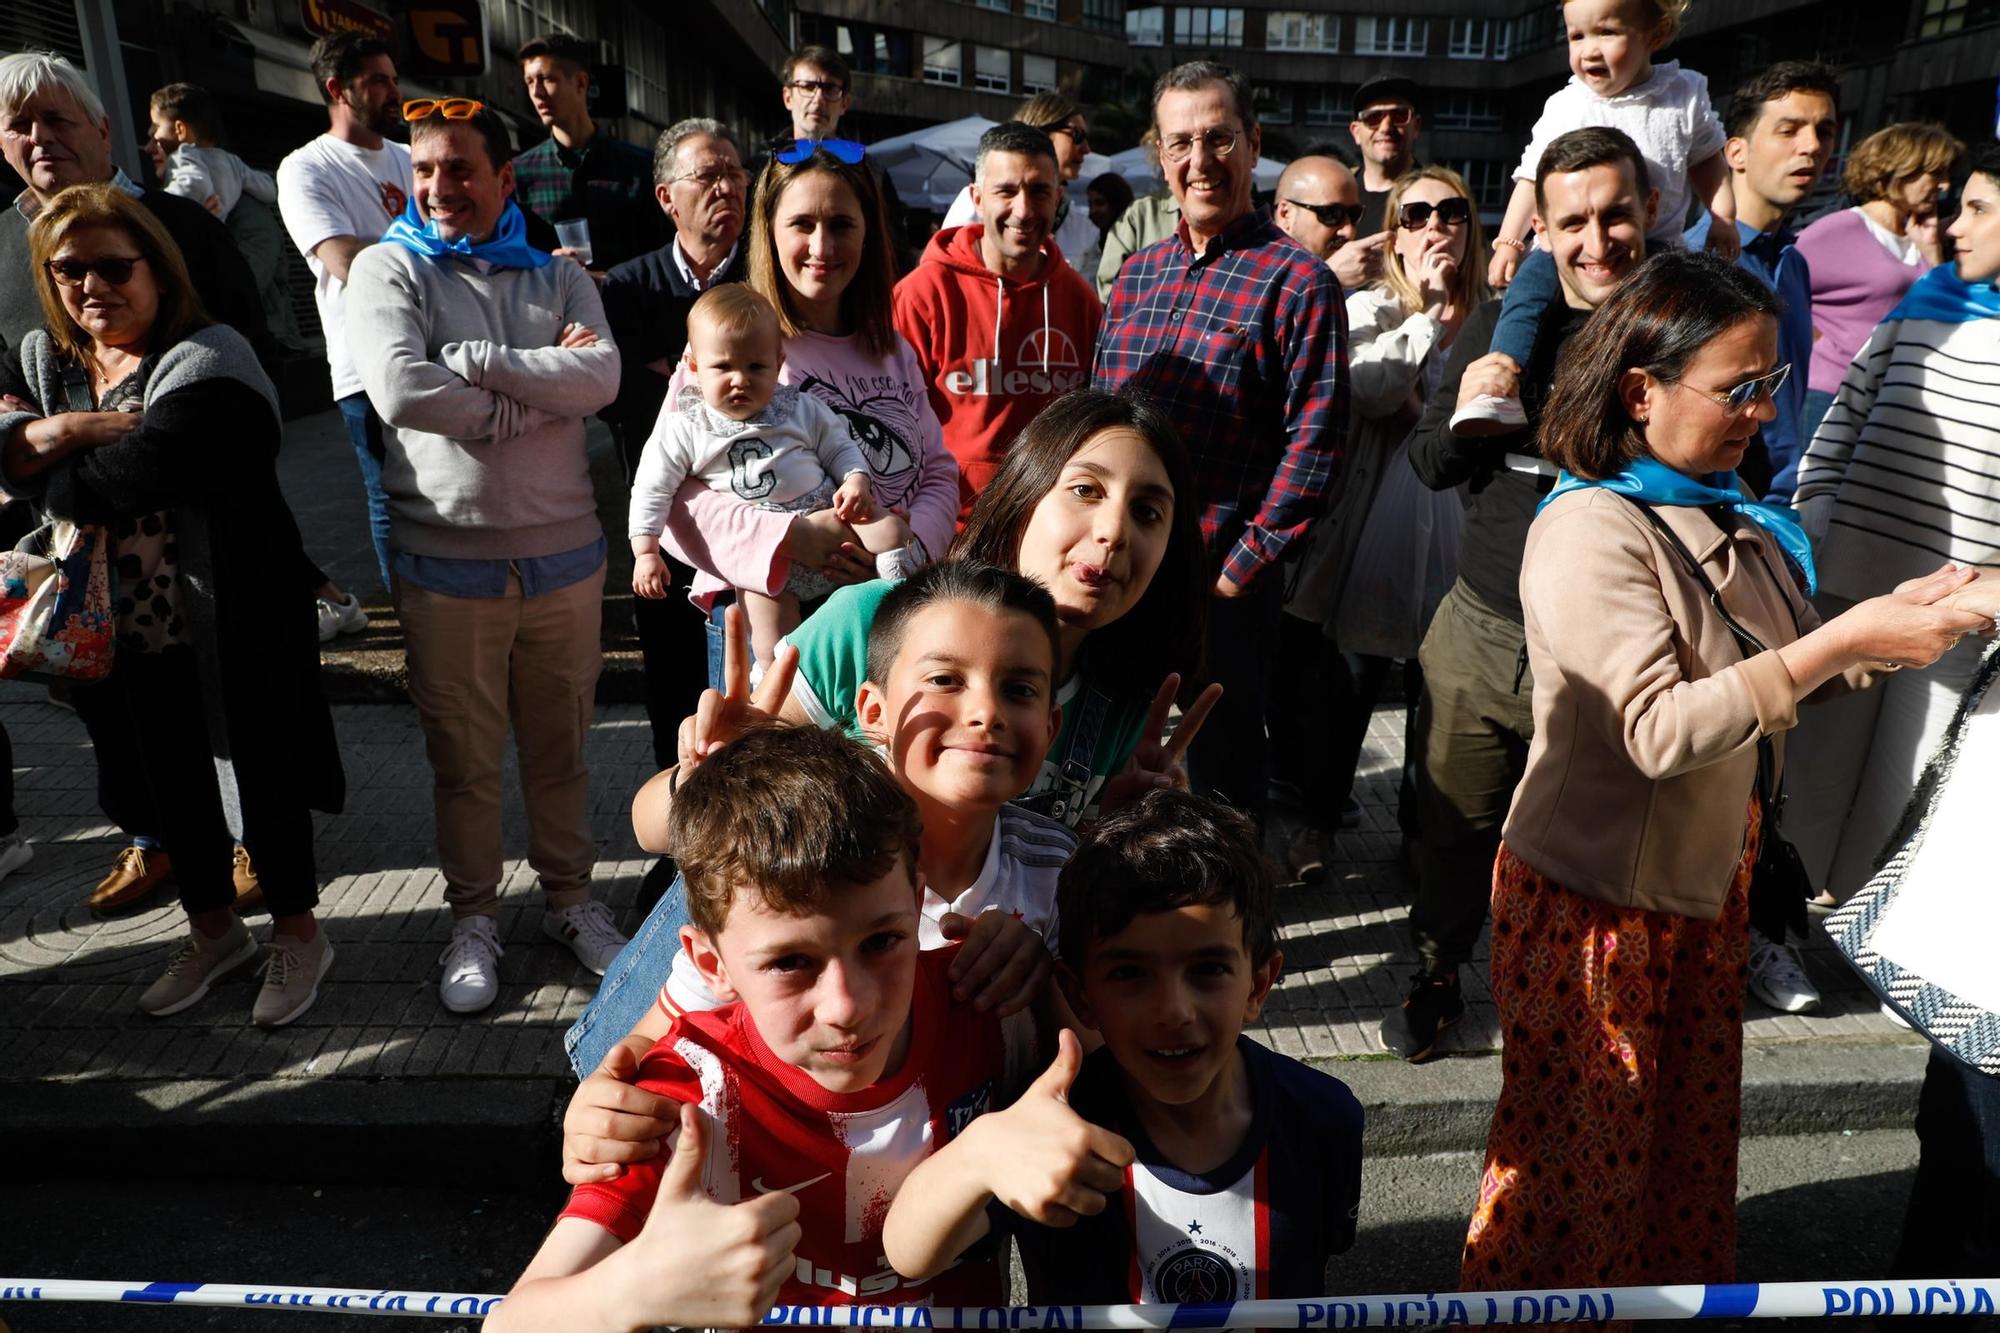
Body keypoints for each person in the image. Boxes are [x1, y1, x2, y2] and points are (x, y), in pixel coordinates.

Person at [1463, 247, 1990, 1301]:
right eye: (1738, 388)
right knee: (1574, 1187)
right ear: (1639, 389)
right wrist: (1843, 644)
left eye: (1771, 384)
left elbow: (1771, 684)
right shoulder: (1589, 526)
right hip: (1593, 909)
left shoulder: (1716, 504)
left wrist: (1910, 621)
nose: (1760, 412)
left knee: (1674, 1168)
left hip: (1697, 898)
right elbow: (1656, 729)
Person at [561, 389, 1213, 1080]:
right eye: (1085, 489)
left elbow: (1077, 914)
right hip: (736, 1018)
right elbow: (651, 823)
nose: (1114, 530)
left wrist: (1117, 844)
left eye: (1148, 511)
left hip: (914, 1051)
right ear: (1025, 490)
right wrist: (714, 778)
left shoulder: (1121, 706)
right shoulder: (874, 621)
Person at [486, 724, 1037, 1331]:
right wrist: (629, 1294)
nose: (846, 1005)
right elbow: (511, 1322)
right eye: (791, 962)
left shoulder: (986, 997)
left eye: (882, 942)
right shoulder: (690, 1092)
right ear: (709, 966)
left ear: (918, 899)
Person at [0, 184, 346, 1025]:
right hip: (112, 631)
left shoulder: (212, 356)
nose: (93, 286)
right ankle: (216, 933)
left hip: (234, 617)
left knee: (262, 782)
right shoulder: (50, 360)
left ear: (158, 267)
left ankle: (300, 936)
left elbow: (141, 474)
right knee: (166, 790)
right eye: (70, 269)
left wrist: (34, 455)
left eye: (115, 266)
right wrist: (68, 431)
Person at [344, 101, 627, 1016]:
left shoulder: (558, 274)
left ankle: (571, 903)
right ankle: (473, 919)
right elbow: (396, 386)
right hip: (446, 564)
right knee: (463, 764)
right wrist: (533, 387)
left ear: (506, 179)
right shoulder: (389, 266)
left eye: (461, 168)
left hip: (565, 561)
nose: (439, 188)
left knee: (562, 751)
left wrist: (470, 359)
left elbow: (604, 377)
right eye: (425, 169)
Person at [882, 787, 1364, 1306]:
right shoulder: (1049, 1133)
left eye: (1208, 970)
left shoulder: (1325, 1118)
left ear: (1259, 984)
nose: (1174, 1011)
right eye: (1130, 973)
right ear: (1078, 995)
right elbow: (910, 1253)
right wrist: (977, 1154)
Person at [1390, 127, 1657, 1063]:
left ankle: (1574, 1003)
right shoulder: (1506, 323)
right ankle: (1434, 972)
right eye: (1572, 221)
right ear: (1540, 227)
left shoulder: (1680, 328)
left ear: (1650, 211)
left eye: (1614, 214)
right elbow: (1426, 460)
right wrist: (1479, 406)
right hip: (1481, 627)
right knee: (1452, 828)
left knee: (1585, 846)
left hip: (1609, 645)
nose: (1596, 241)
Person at [0, 49, 272, 915]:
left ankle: (250, 840)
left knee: (225, 700)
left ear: (103, 128)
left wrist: (47, 452)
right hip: (75, 541)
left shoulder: (181, 223)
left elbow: (235, 372)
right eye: (20, 123)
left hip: (187, 531)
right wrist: (56, 428)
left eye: (58, 118)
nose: (40, 137)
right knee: (101, 698)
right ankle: (152, 837)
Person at [637, 561, 1072, 1028]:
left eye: (1020, 690)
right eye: (944, 680)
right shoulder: (800, 847)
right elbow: (659, 1038)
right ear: (872, 712)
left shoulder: (1059, 868)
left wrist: (1042, 977)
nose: (987, 712)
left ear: (1050, 730)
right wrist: (718, 778)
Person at [1093, 59, 1347, 829]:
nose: (1200, 161)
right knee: (1106, 758)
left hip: (1222, 584)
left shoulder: (1298, 281)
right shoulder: (1135, 275)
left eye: (1219, 138)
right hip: (1123, 567)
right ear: (1158, 157)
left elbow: (1317, 444)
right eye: (1180, 143)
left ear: (1253, 143)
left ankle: (1235, 933)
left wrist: (1238, 571)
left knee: (1225, 775)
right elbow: (1100, 419)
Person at [1783, 147, 2000, 944]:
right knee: (1810, 775)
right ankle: (1781, 935)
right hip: (1851, 586)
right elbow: (1843, 415)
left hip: (1957, 619)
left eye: (1978, 208)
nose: (1952, 224)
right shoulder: (1923, 300)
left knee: (1909, 790)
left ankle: (1879, 949)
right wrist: (1816, 517)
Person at [652, 142, 958, 676]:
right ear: (768, 230)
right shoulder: (730, 345)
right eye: (802, 224)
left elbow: (938, 470)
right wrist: (789, 541)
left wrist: (907, 553)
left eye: (842, 224)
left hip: (884, 616)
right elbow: (670, 495)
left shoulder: (893, 349)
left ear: (869, 231)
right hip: (771, 620)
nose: (822, 245)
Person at [1277, 166, 1490, 879]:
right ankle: (1316, 826)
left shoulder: (1496, 314)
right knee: (1348, 690)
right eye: (1416, 212)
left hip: (1465, 526)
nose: (1435, 225)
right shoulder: (1369, 307)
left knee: (1442, 697)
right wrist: (1426, 314)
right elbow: (1369, 388)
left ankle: (1420, 836)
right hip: (1368, 533)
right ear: (1395, 233)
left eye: (1450, 211)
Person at [1460, 0, 1733, 436]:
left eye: (1606, 32)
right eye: (1576, 36)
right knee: (1527, 294)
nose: (1589, 49)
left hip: (1656, 246)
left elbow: (1708, 162)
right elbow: (1532, 177)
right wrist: (1510, 240)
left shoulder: (1683, 96)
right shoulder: (1568, 105)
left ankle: (1675, 401)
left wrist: (1722, 217)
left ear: (1655, 34)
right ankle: (1502, 379)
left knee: (1681, 313)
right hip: (1568, 249)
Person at [631, 284, 909, 672]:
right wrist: (646, 550)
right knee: (768, 630)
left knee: (891, 530)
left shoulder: (800, 407)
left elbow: (841, 447)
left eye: (756, 367)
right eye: (723, 367)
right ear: (694, 367)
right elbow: (651, 488)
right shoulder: (685, 426)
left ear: (778, 363)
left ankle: (898, 594)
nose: (740, 380)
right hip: (761, 558)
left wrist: (856, 480)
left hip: (832, 524)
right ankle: (772, 682)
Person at [599, 117, 750, 781]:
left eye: (735, 173)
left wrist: (676, 373)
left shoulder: (768, 274)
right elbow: (619, 397)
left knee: (751, 693)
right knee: (673, 691)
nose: (727, 186)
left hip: (755, 519)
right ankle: (677, 837)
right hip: (663, 532)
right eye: (709, 174)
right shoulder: (628, 287)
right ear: (667, 197)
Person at [895, 121, 1101, 514]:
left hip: (1044, 524)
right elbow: (890, 421)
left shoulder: (1079, 300)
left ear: (1058, 198)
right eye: (1006, 191)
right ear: (977, 198)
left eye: (1039, 191)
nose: (1023, 211)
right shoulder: (922, 294)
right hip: (946, 527)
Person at [276, 31, 411, 597]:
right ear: (338, 89)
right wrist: (437, 257)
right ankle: (413, 624)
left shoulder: (412, 158)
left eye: (392, 78)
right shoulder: (307, 168)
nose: (392, 92)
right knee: (391, 498)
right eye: (377, 81)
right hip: (367, 363)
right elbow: (345, 259)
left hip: (442, 352)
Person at [1684, 60, 1839, 504]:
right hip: (1724, 504)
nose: (1811, 146)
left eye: (1824, 131)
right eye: (1789, 130)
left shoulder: (1794, 262)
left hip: (1786, 501)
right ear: (1735, 153)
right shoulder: (1698, 263)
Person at [1793, 121, 1962, 444]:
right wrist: (1821, 341)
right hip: (1831, 391)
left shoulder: (1922, 236)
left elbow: (1945, 311)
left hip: (1890, 394)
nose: (1943, 186)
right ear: (1901, 168)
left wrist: (1931, 251)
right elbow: (1780, 288)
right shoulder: (1842, 228)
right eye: (1935, 173)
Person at [145, 83, 306, 355]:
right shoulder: (234, 168)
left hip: (257, 350)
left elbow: (239, 293)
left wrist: (186, 220)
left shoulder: (246, 213)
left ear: (181, 130)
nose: (149, 146)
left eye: (155, 133)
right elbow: (268, 187)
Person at [512, 33, 666, 276]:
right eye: (530, 82)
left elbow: (660, 252)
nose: (537, 92)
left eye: (546, 79)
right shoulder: (520, 173)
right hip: (553, 308)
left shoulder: (638, 167)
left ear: (581, 83)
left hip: (626, 305)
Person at [767, 45, 910, 269]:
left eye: (830, 89)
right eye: (807, 86)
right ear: (788, 97)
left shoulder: (870, 172)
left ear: (845, 103)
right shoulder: (763, 168)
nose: (818, 98)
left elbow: (893, 250)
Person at [941, 92, 1100, 278]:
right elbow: (946, 275)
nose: (1086, 149)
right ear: (1042, 129)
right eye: (1076, 135)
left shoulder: (1082, 227)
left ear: (1057, 197)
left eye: (1041, 192)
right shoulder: (975, 204)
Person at [1338, 74, 1424, 288]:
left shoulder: (1436, 197)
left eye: (1399, 115)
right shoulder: (1336, 192)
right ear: (1356, 132)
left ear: (1417, 126)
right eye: (1373, 118)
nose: (1386, 127)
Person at [1096, 132, 1179, 302]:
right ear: (1161, 155)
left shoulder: (1237, 217)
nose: (1198, 160)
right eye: (1181, 144)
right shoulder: (1141, 215)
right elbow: (1108, 289)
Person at [1272, 155, 1364, 265]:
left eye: (1354, 214)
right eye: (1331, 215)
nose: (1349, 231)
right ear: (1285, 215)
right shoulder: (1254, 272)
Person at [1086, 171, 1134, 253]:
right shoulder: (1090, 238)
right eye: (1090, 204)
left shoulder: (1133, 237)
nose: (1093, 210)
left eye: (1100, 203)